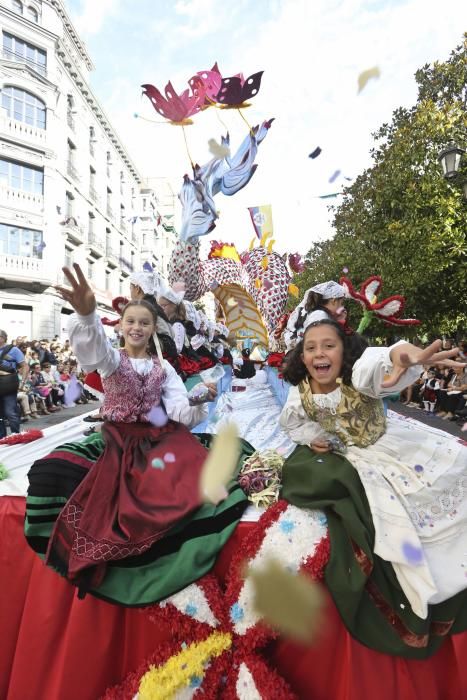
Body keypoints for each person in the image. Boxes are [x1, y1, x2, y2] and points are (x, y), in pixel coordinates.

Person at [25, 264, 249, 605]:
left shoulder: (165, 368)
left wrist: (199, 400)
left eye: (144, 322)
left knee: (192, 472)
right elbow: (92, 351)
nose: (137, 327)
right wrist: (86, 316)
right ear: (121, 326)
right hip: (117, 437)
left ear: (152, 328)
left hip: (158, 436)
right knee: (54, 471)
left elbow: (178, 413)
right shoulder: (112, 360)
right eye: (131, 321)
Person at [279, 318, 467, 658]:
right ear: (302, 357)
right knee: (393, 523)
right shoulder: (300, 392)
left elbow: (384, 359)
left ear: (344, 351)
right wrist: (314, 438)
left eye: (328, 345)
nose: (319, 353)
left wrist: (404, 356)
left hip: (392, 446)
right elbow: (294, 423)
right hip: (357, 459)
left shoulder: (357, 375)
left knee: (446, 483)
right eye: (311, 348)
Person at [283, 280, 347, 351]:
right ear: (334, 301)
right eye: (341, 303)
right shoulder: (320, 316)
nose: (342, 307)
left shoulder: (318, 314)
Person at [0, 329, 29, 437]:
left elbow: (25, 366)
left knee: (10, 412)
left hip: (8, 384)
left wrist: (23, 382)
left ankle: (15, 435)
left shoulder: (14, 350)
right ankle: (1, 438)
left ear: (2, 338)